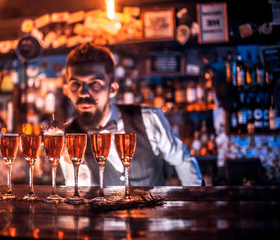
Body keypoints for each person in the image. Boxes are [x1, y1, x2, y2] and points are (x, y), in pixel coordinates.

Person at [62, 42, 202, 186]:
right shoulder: (69, 136)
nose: (83, 92)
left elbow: (183, 161)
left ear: (113, 89)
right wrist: (70, 163)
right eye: (75, 84)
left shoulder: (148, 118)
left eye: (95, 83)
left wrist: (195, 199)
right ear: (67, 90)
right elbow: (78, 193)